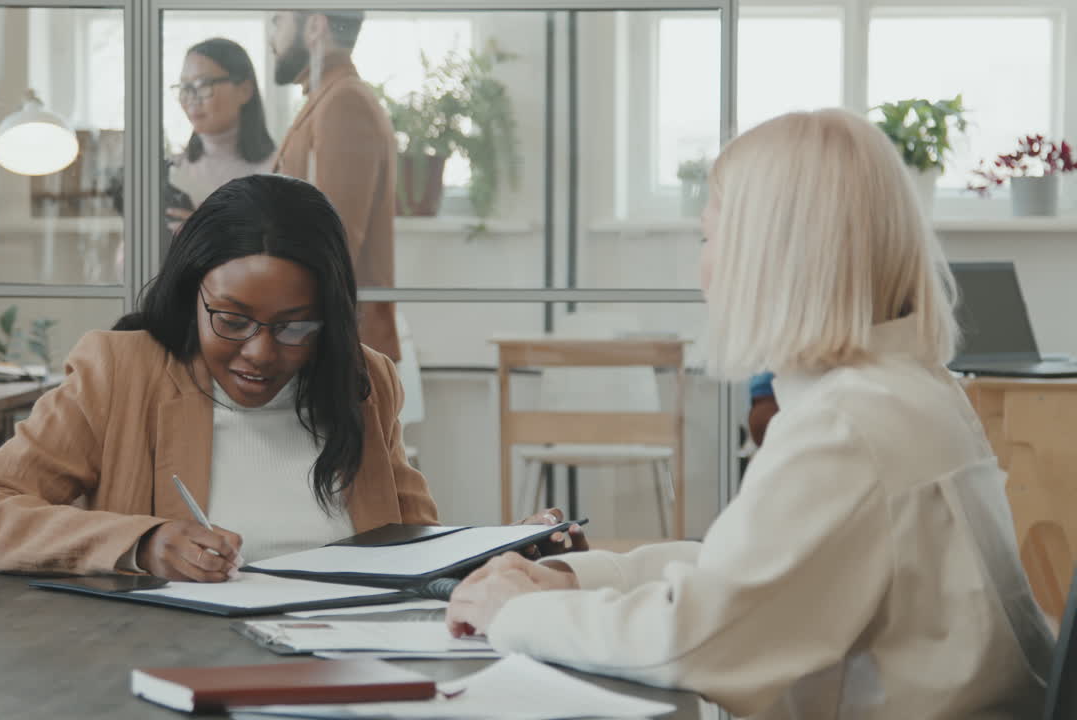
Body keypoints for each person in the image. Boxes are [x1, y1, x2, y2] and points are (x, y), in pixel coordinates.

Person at [443, 110, 1053, 718]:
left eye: (708, 238)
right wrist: (583, 577)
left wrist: (515, 613)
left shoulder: (846, 428)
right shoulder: (906, 392)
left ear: (768, 258)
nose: (702, 266)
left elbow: (698, 642)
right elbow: (754, 574)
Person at [0, 175, 577, 580]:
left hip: (343, 670)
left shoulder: (365, 381)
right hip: (174, 668)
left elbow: (414, 546)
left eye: (296, 327)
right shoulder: (119, 371)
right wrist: (143, 542)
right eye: (232, 321)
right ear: (192, 295)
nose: (262, 353)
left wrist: (498, 551)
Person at [268, 10, 401, 361]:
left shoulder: (344, 102)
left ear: (315, 26)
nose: (271, 38)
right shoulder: (325, 98)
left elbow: (333, 242)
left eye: (277, 20)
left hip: (338, 346)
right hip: (320, 335)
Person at [165, 38, 276, 235]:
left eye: (203, 84)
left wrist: (206, 234)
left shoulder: (276, 170)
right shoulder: (175, 171)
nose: (191, 98)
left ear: (245, 90)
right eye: (184, 87)